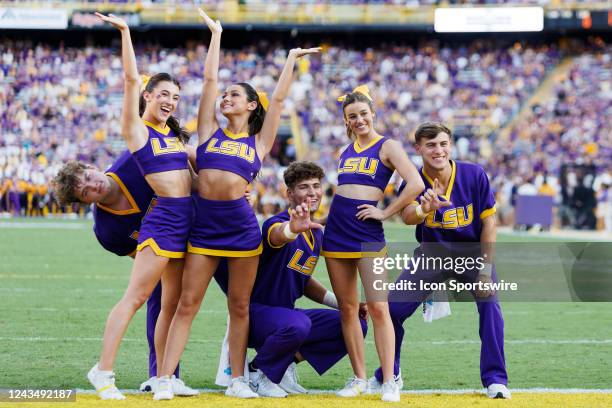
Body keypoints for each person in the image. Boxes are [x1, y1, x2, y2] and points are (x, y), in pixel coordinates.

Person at [155, 8, 321, 400]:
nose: (225, 97)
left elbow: (279, 98)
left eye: (235, 95)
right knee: (187, 303)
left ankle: (237, 380)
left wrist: (291, 61)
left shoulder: (258, 143)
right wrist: (216, 35)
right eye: (225, 95)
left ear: (249, 107)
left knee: (240, 306)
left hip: (242, 231)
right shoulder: (209, 131)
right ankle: (165, 378)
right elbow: (209, 79)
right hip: (205, 228)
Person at [86, 12, 193, 400]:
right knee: (135, 298)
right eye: (163, 94)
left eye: (176, 97)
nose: (170, 101)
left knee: (172, 303)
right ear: (148, 96)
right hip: (164, 219)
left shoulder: (173, 136)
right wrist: (127, 33)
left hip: (186, 220)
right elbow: (131, 79)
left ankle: (165, 377)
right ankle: (103, 371)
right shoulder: (137, 130)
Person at [369, 122, 510, 399]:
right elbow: (408, 217)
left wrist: (485, 270)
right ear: (418, 148)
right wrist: (424, 208)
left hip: (471, 254)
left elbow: (489, 224)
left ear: (451, 145)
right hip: (432, 253)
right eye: (431, 145)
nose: (438, 150)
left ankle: (496, 380)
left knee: (491, 306)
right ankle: (390, 372)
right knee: (392, 310)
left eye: (443, 143)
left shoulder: (473, 174)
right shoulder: (413, 181)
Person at [214, 161, 368, 397]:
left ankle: (284, 364)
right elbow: (277, 236)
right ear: (289, 193)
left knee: (355, 323)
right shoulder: (276, 223)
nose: (312, 192)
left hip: (286, 317)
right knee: (297, 324)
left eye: (316, 186)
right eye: (304, 187)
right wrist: (291, 230)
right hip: (255, 316)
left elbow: (302, 279)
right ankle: (259, 372)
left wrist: (344, 304)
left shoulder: (315, 232)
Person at [52, 153, 198, 397]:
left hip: (200, 221)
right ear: (85, 202)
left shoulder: (134, 160)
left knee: (236, 295)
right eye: (85, 192)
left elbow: (181, 153)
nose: (94, 185)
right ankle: (162, 375)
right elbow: (140, 259)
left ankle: (238, 372)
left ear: (91, 166)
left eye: (88, 177)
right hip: (166, 245)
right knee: (153, 294)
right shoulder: (107, 230)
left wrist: (222, 185)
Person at [321, 85, 424, 402]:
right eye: (353, 116)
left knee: (379, 307)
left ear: (372, 114)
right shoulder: (345, 151)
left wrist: (386, 212)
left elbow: (416, 183)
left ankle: (390, 379)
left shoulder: (388, 146)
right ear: (347, 120)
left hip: (368, 234)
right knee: (348, 309)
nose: (359, 119)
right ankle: (359, 379)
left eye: (363, 114)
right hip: (337, 231)